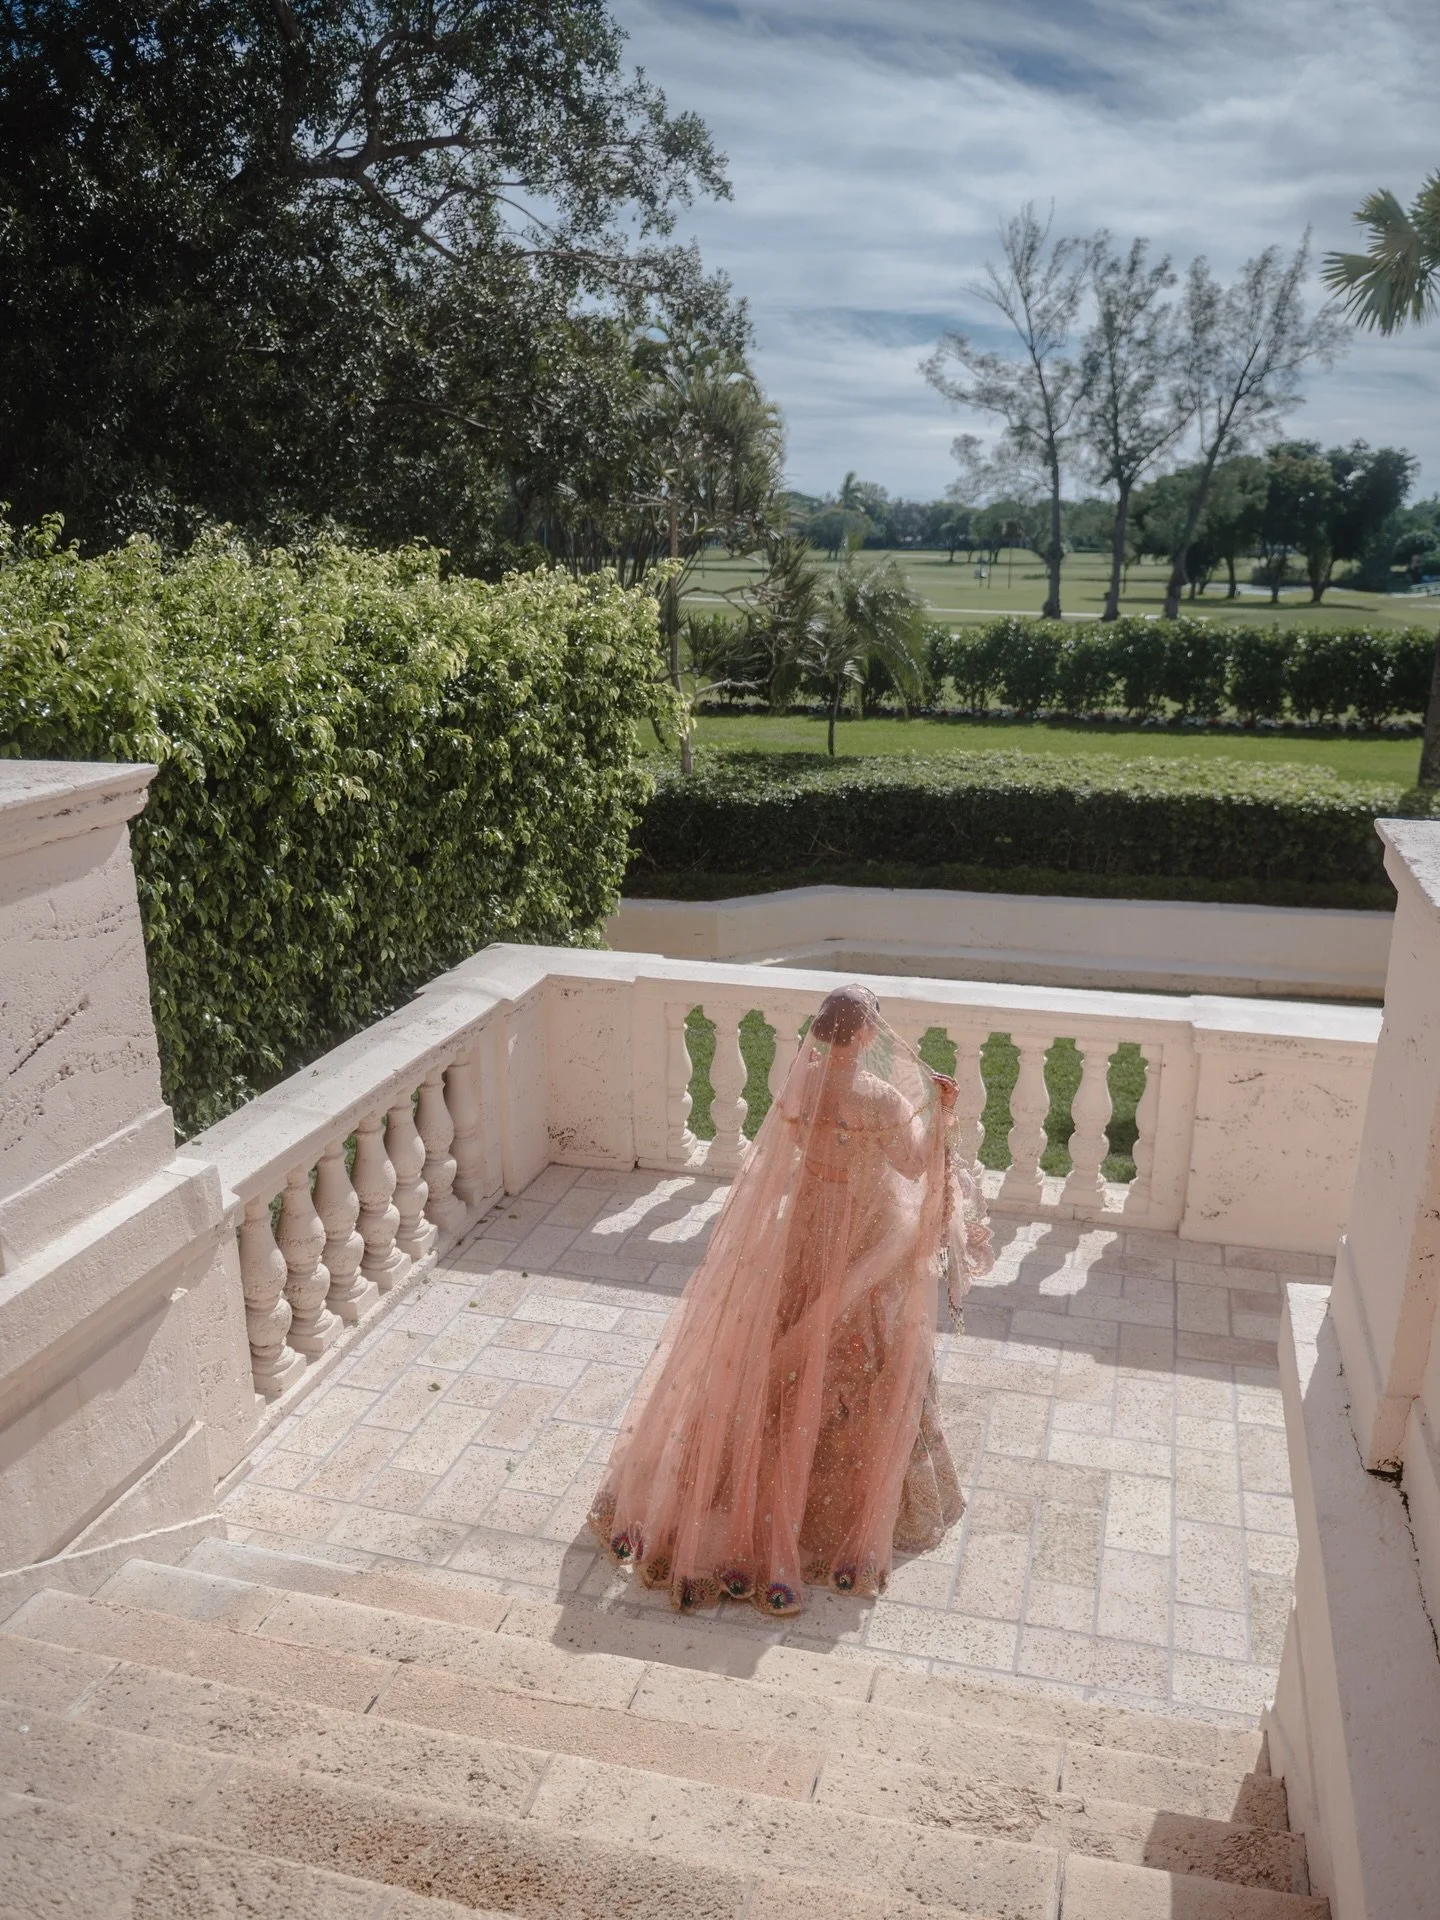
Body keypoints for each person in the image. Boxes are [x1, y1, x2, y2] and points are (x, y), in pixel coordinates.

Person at [588, 983, 993, 1616]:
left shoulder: (800, 1088)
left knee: (782, 1336)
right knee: (867, 1353)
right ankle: (834, 1512)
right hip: (862, 1236)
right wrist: (942, 1114)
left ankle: (747, 1474)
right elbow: (915, 1167)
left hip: (805, 1228)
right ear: (863, 1035)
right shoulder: (881, 1099)